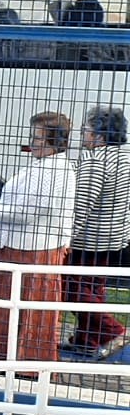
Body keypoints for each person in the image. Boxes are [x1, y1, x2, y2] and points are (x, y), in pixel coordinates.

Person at [0, 111, 76, 365]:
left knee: (30, 308)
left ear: (52, 140)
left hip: (35, 249)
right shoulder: (40, 166)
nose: (33, 141)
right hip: (16, 244)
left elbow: (28, 213)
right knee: (4, 304)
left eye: (38, 136)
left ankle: (27, 361)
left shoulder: (59, 171)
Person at [64, 106, 130, 359]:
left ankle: (113, 331)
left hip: (89, 239)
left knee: (71, 287)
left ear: (99, 135)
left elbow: (82, 205)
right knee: (94, 287)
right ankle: (86, 339)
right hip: (115, 237)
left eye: (87, 129)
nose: (83, 134)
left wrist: (67, 238)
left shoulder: (94, 161)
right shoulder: (124, 158)